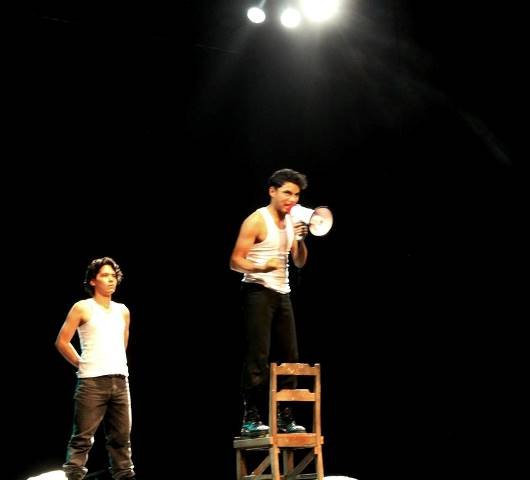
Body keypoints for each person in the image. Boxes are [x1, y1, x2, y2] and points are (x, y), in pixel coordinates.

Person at [230, 168, 310, 437]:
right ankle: (251, 418)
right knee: (259, 355)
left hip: (282, 292)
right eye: (287, 192)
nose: (292, 199)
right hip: (257, 291)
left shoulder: (292, 221)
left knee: (290, 356)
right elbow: (235, 261)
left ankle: (285, 416)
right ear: (272, 191)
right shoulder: (256, 220)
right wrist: (262, 266)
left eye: (296, 194)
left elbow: (299, 261)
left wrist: (300, 240)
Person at [55, 257, 136, 480]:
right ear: (93, 280)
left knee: (121, 438)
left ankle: (124, 475)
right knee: (82, 438)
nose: (111, 280)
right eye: (105, 275)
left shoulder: (123, 310)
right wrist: (81, 363)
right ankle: (74, 474)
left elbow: (122, 343)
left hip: (120, 380)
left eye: (113, 276)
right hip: (92, 382)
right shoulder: (82, 307)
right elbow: (62, 341)